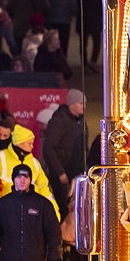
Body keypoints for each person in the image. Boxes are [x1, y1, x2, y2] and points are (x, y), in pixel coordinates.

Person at [0, 123, 59, 217]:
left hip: (28, 215)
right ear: (20, 143)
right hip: (0, 212)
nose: (32, 147)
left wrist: (54, 212)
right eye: (29, 143)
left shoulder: (34, 163)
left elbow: (44, 190)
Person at [42, 89, 87, 220]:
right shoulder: (59, 121)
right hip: (62, 175)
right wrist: (60, 172)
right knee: (64, 209)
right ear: (71, 104)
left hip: (76, 172)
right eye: (80, 103)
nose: (84, 106)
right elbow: (49, 148)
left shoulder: (80, 121)